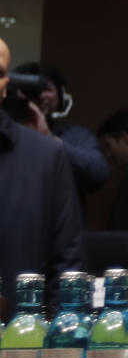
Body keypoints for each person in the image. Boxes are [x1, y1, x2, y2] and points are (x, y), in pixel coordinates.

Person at [0, 38, 83, 313]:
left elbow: (66, 263)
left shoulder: (46, 157)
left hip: (21, 341)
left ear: (5, 85)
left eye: (0, 73)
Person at [11, 62, 109, 216]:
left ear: (61, 94)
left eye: (47, 89)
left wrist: (49, 139)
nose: (41, 95)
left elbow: (98, 174)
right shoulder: (7, 133)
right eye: (33, 90)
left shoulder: (75, 136)